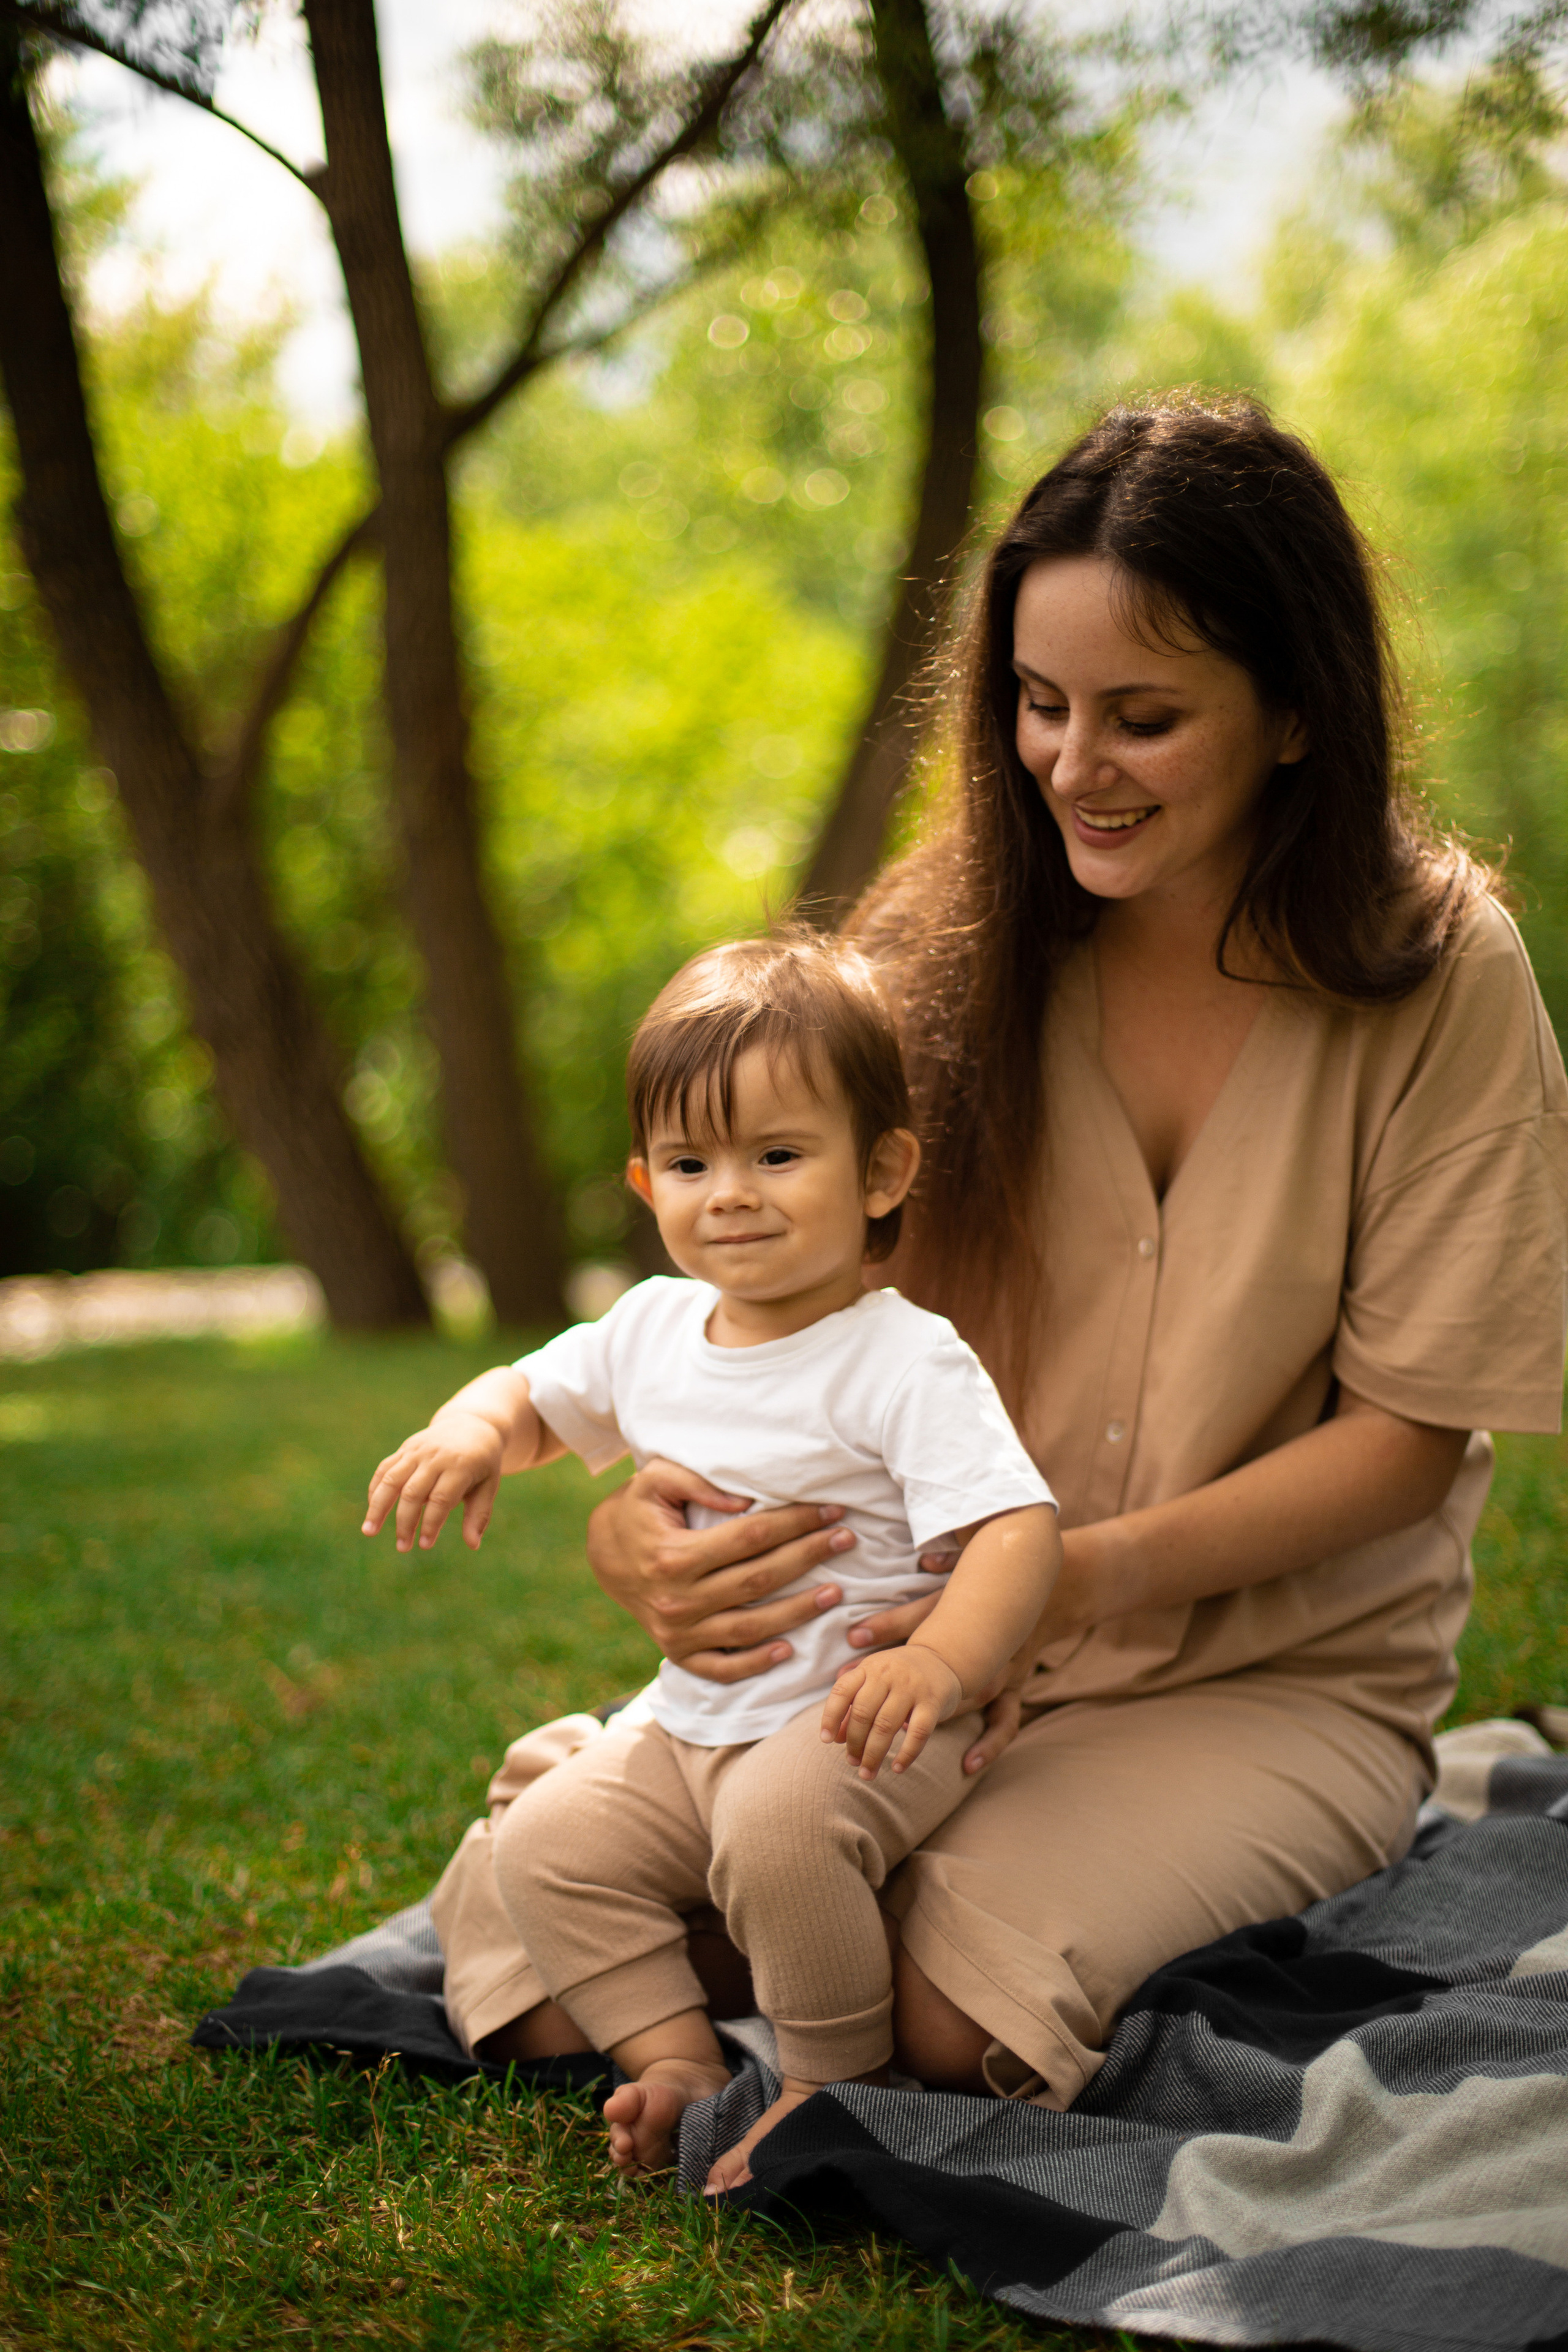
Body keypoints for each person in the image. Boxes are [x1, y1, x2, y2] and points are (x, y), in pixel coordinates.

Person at [425, 393, 1568, 2152]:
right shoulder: (936, 944)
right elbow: (764, 1319)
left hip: (1265, 1686)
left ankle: (695, 1885)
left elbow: (1406, 1443)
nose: (1071, 763)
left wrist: (1049, 1590)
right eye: (1039, 706)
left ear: (1293, 716)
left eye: (1143, 717)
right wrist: (636, 1533)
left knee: (948, 2021)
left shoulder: (1440, 970)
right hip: (893, 1655)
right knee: (657, 1907)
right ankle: (676, 1854)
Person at [363, 934, 1060, 2187]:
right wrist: (467, 1431)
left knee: (778, 1830)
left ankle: (833, 2084)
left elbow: (1016, 1530)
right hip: (694, 1720)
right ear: (646, 1185)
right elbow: (532, 1395)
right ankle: (676, 2061)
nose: (729, 1193)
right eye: (690, 1164)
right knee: (549, 1838)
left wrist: (947, 1664)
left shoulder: (902, 1358)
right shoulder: (651, 1330)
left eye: (777, 1155)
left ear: (881, 1171)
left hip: (867, 1718)